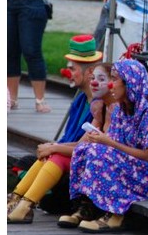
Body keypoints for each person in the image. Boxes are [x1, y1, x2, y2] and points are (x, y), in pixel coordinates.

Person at [60, 59, 148, 232]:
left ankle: (115, 214)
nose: (110, 84)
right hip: (131, 165)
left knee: (100, 153)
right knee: (85, 149)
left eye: (115, 79)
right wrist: (100, 139)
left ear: (129, 83)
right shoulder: (120, 110)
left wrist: (108, 142)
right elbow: (113, 144)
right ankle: (88, 207)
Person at [7, 35, 103, 223]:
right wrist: (52, 147)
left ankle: (24, 204)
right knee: (28, 160)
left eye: (72, 69)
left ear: (89, 71)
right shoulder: (80, 100)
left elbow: (84, 148)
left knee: (53, 158)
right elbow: (68, 139)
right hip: (65, 160)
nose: (67, 72)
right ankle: (17, 199)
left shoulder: (100, 107)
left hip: (81, 169)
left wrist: (54, 148)